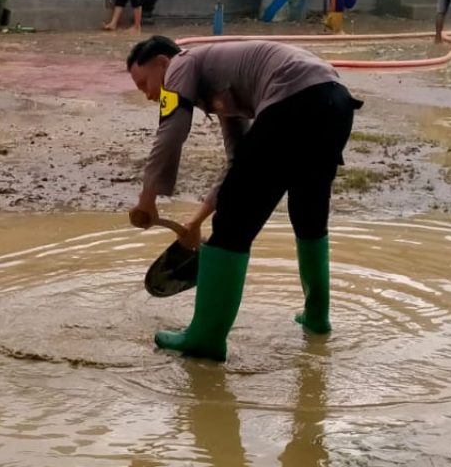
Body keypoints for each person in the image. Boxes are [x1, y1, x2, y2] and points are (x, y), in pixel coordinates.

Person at [126, 36, 361, 361]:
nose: (149, 95)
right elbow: (239, 162)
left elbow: (172, 130)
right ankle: (317, 318)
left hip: (295, 101)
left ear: (162, 64)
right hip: (334, 102)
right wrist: (194, 222)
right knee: (308, 213)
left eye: (144, 84)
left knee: (232, 225)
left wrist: (147, 197)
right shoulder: (224, 87)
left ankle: (205, 338)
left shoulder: (181, 64)